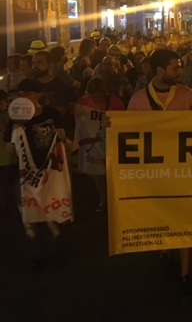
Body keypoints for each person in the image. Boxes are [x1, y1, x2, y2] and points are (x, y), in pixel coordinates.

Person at [127, 49, 192, 304]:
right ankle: (164, 249)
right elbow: (127, 133)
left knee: (184, 221)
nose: (180, 71)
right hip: (155, 174)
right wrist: (113, 126)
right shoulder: (139, 100)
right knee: (162, 215)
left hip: (183, 172)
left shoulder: (187, 95)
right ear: (160, 71)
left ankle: (185, 273)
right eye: (175, 68)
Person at [5, 79, 66, 270]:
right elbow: (9, 153)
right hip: (24, 176)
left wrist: (62, 137)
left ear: (38, 94)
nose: (21, 97)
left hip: (50, 174)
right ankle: (39, 255)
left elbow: (66, 143)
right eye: (19, 94)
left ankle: (55, 253)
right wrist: (15, 135)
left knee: (50, 218)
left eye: (26, 93)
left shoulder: (52, 114)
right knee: (29, 220)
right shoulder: (15, 118)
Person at [75, 77, 126, 211]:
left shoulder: (115, 102)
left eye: (99, 94)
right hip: (96, 143)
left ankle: (114, 198)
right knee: (98, 173)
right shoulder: (84, 101)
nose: (96, 97)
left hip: (112, 140)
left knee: (112, 173)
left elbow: (123, 119)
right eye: (93, 94)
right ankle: (103, 199)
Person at [0, 90, 15, 213]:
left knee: (8, 181)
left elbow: (8, 133)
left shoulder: (9, 115)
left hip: (7, 156)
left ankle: (9, 203)